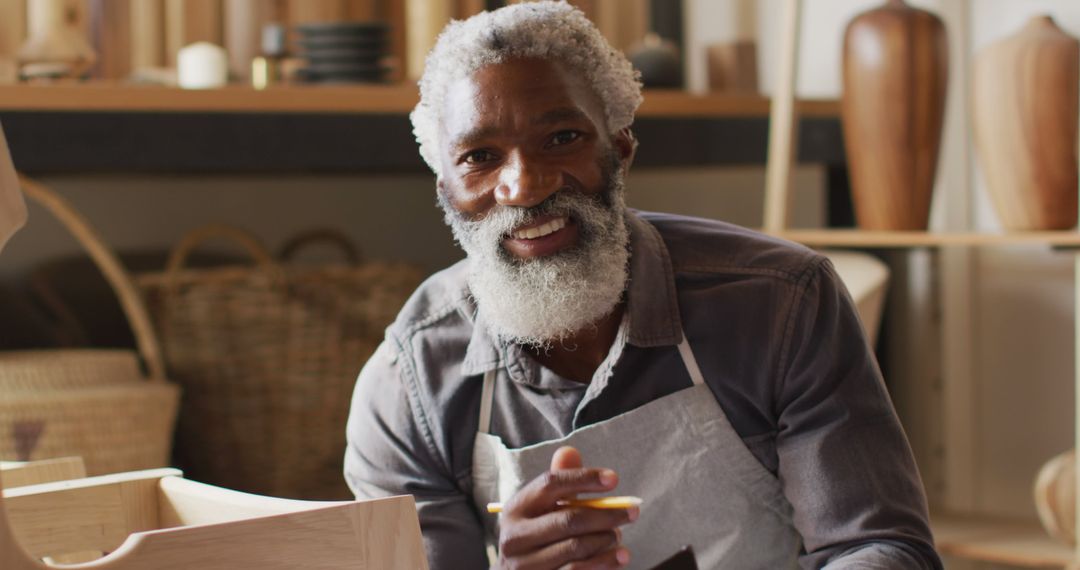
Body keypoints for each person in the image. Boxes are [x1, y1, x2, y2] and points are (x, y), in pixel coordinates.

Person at [344, 3, 941, 568]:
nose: (524, 187)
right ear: (446, 188)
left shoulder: (780, 302)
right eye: (480, 156)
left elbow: (880, 546)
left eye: (561, 139)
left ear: (620, 148)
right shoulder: (413, 380)